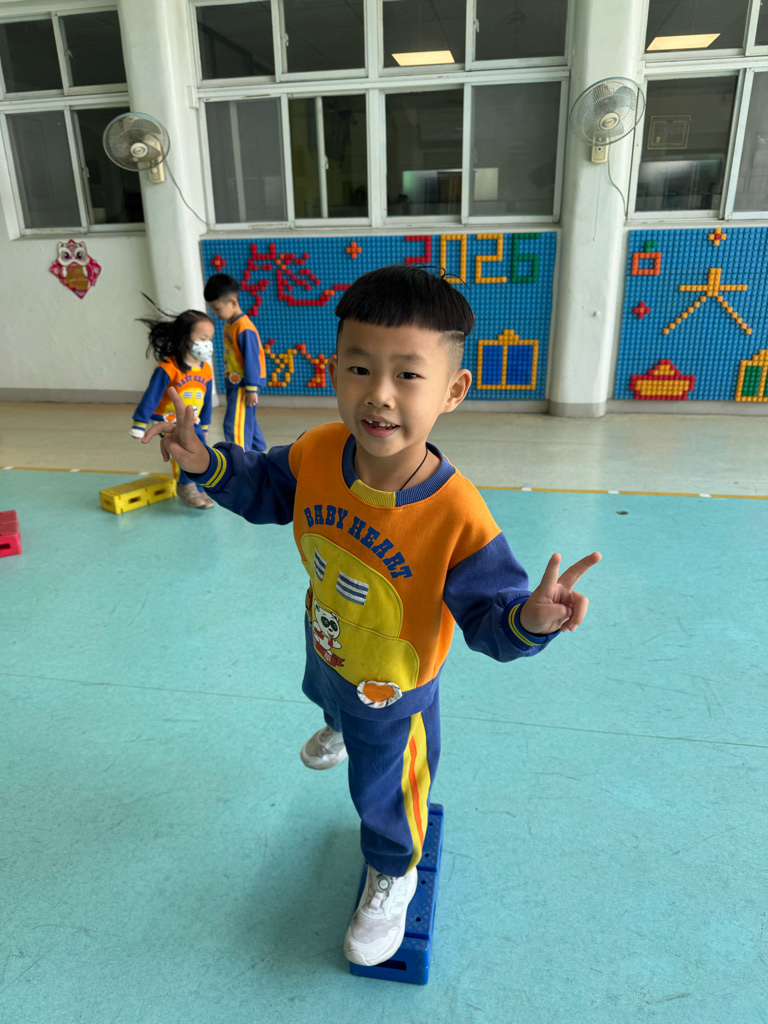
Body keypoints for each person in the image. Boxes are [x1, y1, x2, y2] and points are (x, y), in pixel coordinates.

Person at [142, 265, 601, 966]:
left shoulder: (457, 516)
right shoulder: (321, 450)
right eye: (359, 368)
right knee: (324, 690)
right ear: (335, 371)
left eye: (408, 375)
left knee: (385, 784)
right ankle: (337, 721)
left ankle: (393, 869)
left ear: (453, 391)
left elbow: (490, 617)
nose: (379, 394)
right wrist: (207, 462)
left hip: (394, 685)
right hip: (330, 641)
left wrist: (531, 622)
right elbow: (267, 486)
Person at [132, 306, 216, 510]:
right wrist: (139, 422)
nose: (207, 343)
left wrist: (205, 424)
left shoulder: (205, 370)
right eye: (203, 338)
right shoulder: (168, 369)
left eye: (210, 339)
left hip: (193, 421)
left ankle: (198, 487)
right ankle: (186, 486)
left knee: (201, 451)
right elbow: (152, 396)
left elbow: (206, 401)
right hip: (168, 420)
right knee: (185, 451)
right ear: (186, 338)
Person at [203, 273, 266, 452]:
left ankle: (241, 461)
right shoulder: (229, 324)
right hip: (235, 383)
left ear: (233, 302)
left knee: (234, 425)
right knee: (247, 423)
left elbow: (252, 359)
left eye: (217, 309)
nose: (215, 314)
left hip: (243, 386)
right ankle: (260, 456)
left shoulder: (244, 328)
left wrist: (251, 387)